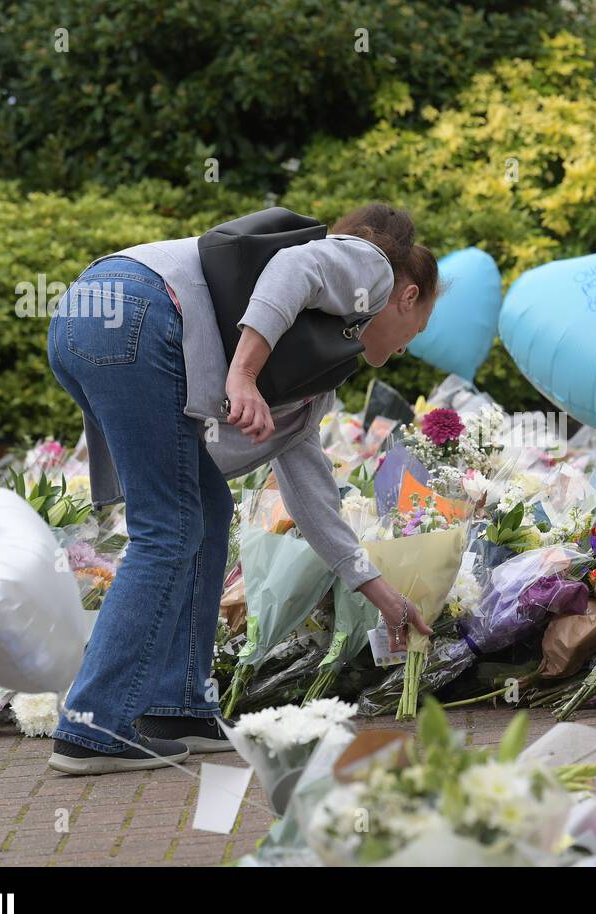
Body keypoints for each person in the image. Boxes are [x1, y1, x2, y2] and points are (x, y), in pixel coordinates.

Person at [45, 203, 438, 774]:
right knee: (171, 528)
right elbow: (290, 270)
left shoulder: (316, 362)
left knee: (204, 507)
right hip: (135, 311)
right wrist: (243, 374)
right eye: (418, 327)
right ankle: (93, 727)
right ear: (407, 298)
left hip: (92, 315)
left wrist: (376, 590)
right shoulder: (372, 271)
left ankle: (177, 707)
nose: (407, 346)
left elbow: (309, 493)